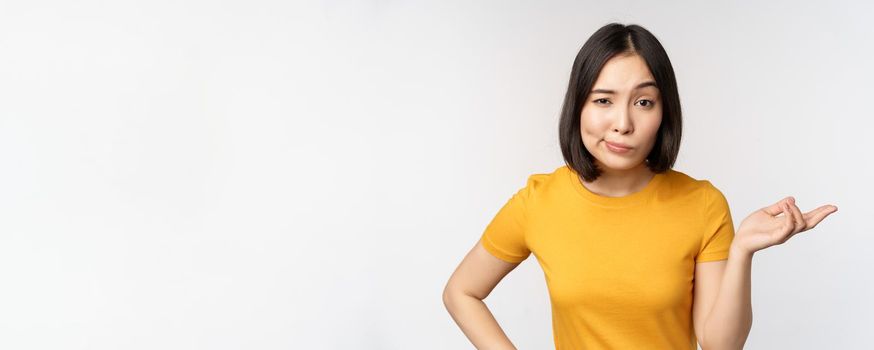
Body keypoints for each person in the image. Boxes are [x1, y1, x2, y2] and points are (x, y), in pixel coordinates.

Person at [442, 22, 838, 350]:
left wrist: (742, 252)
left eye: (643, 102)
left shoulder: (702, 204)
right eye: (603, 100)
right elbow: (461, 292)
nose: (623, 123)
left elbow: (720, 345)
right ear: (578, 104)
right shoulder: (539, 201)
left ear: (664, 112)